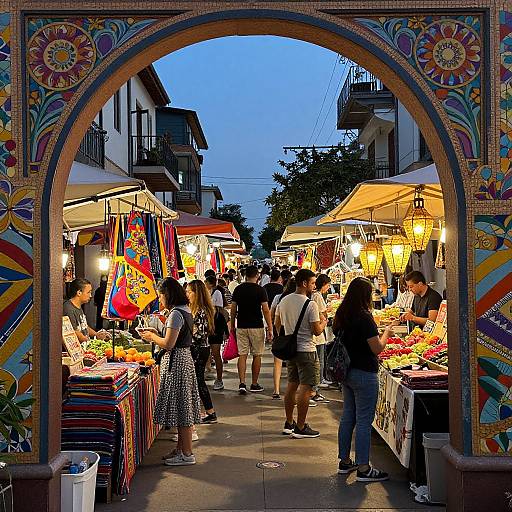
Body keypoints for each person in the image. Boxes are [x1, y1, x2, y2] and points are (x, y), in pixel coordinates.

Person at [334, 277, 396, 482]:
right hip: (364, 374)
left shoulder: (342, 314)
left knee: (348, 417)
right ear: (366, 295)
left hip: (347, 372)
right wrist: (386, 333)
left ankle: (344, 461)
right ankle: (363, 467)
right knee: (363, 421)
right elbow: (377, 348)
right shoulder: (364, 317)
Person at [140, 278, 201, 466]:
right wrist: (156, 332)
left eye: (160, 295)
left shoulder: (176, 313)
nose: (160, 299)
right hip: (183, 360)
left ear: (168, 294)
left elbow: (168, 343)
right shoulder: (184, 310)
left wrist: (151, 336)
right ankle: (181, 450)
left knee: (183, 408)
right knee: (183, 405)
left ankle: (187, 454)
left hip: (178, 362)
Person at [275, 269, 327, 439]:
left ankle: (289, 422)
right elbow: (317, 331)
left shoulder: (284, 301)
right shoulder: (310, 304)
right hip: (306, 350)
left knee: (291, 385)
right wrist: (324, 322)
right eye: (312, 283)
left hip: (291, 350)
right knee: (305, 388)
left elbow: (277, 324)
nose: (314, 286)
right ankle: (301, 426)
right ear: (304, 283)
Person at [230, 265, 272, 394]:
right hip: (256, 326)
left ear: (245, 275)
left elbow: (233, 309)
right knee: (257, 355)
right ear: (257, 275)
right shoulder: (260, 290)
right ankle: (254, 383)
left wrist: (232, 325)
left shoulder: (238, 289)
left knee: (242, 355)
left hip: (241, 325)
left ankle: (242, 383)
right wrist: (270, 327)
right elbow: (265, 310)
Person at [186, 280, 218, 424]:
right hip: (198, 349)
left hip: (199, 350)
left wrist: (187, 329)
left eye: (189, 291)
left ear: (197, 293)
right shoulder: (195, 308)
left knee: (198, 381)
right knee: (198, 381)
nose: (187, 294)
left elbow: (200, 334)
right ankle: (209, 412)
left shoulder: (201, 310)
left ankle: (210, 413)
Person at [270, 277, 296, 400]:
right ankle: (294, 392)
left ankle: (276, 390)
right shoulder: (301, 300)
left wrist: (277, 331)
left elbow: (274, 318)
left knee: (278, 363)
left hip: (282, 333)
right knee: (295, 364)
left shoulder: (279, 298)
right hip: (295, 334)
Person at [63, 278, 109, 342]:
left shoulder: (78, 306)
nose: (90, 296)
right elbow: (75, 332)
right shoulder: (68, 309)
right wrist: (92, 342)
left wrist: (96, 334)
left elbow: (84, 326)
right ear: (79, 292)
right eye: (88, 292)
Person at [311, 274, 332, 400]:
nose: (328, 288)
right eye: (328, 285)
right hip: (318, 333)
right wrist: (328, 310)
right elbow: (322, 312)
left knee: (318, 362)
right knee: (318, 362)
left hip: (318, 332)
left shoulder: (315, 296)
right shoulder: (317, 296)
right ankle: (315, 390)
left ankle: (316, 388)